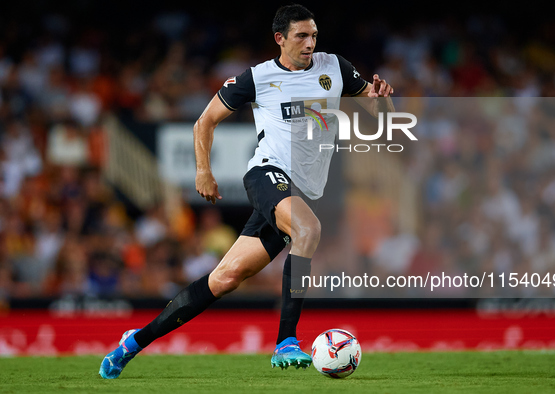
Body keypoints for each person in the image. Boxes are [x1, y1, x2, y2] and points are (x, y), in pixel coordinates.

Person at [99, 4, 393, 379]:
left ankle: (133, 342)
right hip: (267, 175)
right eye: (301, 35)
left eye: (314, 35)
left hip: (302, 191)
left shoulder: (334, 67)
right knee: (309, 230)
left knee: (223, 279)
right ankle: (286, 341)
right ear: (280, 38)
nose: (310, 43)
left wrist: (383, 100)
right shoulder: (257, 78)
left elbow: (380, 115)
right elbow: (204, 122)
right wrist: (203, 170)